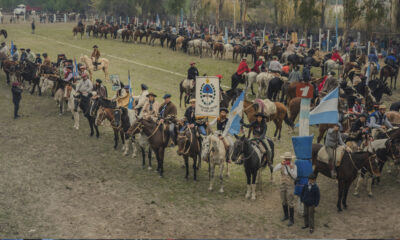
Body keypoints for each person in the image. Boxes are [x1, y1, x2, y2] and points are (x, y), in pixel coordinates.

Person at [273, 152, 297, 227]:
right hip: (282, 184)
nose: (287, 160)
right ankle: (286, 216)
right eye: (286, 159)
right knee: (283, 200)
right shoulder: (282, 164)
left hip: (290, 185)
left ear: (290, 159)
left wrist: (289, 168)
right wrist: (281, 164)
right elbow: (274, 169)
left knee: (290, 201)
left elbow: (295, 176)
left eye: (288, 159)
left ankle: (291, 219)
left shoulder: (294, 166)